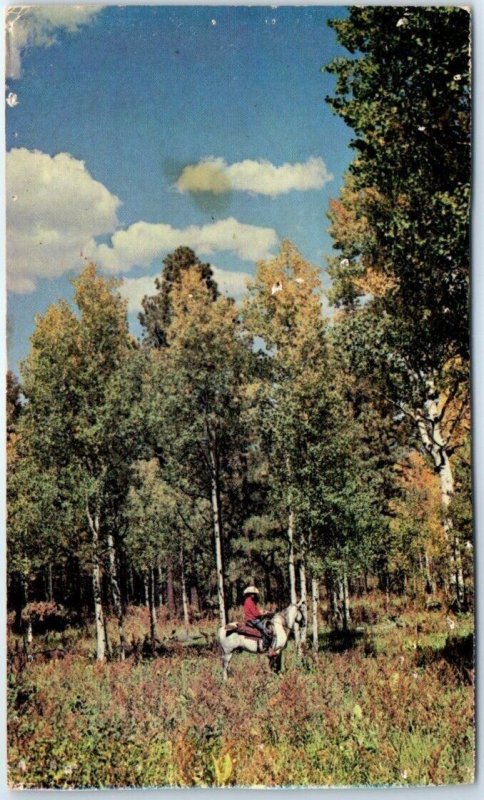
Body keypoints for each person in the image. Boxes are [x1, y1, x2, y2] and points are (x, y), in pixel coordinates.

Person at [243, 586, 275, 655]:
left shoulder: (249, 601)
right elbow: (255, 613)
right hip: (252, 620)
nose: (254, 595)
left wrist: (262, 611)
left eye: (254, 594)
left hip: (251, 619)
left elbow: (255, 611)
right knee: (266, 630)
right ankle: (267, 647)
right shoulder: (249, 601)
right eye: (253, 594)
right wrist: (264, 613)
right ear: (249, 594)